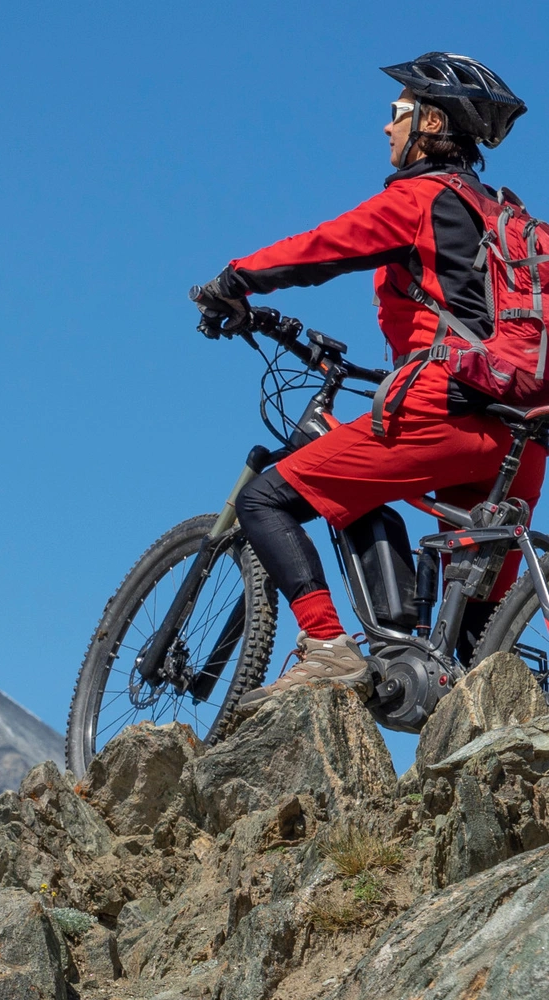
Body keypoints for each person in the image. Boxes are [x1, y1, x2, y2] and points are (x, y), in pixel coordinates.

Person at [193, 52, 544, 716]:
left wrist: (234, 280)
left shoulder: (422, 198)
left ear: (431, 122)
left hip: (446, 414)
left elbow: (325, 246)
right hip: (521, 436)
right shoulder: (503, 216)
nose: (388, 127)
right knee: (477, 646)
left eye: (398, 112)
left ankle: (328, 647)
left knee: (265, 500)